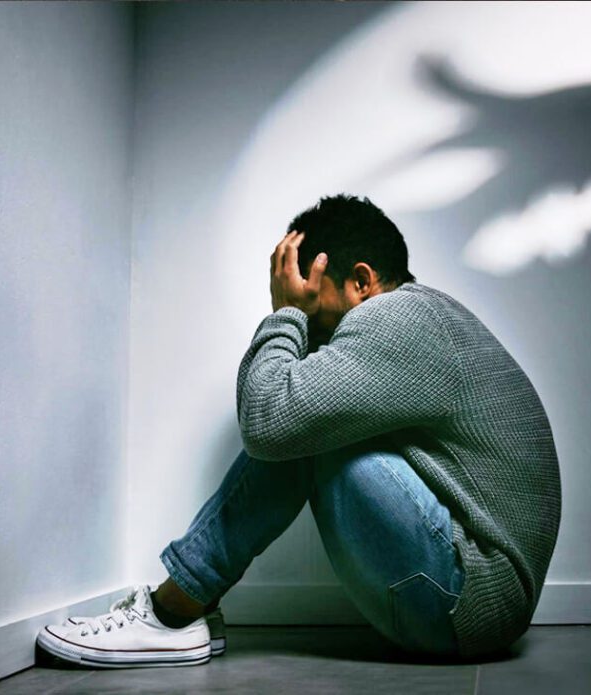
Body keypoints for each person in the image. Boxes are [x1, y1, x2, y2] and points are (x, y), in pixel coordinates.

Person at [36, 193, 561, 667]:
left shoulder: (399, 317)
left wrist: (285, 313)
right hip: (466, 599)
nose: (315, 330)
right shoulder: (425, 320)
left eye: (320, 310)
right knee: (307, 420)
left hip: (470, 602)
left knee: (303, 429)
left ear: (361, 282)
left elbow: (269, 421)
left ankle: (171, 614)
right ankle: (184, 609)